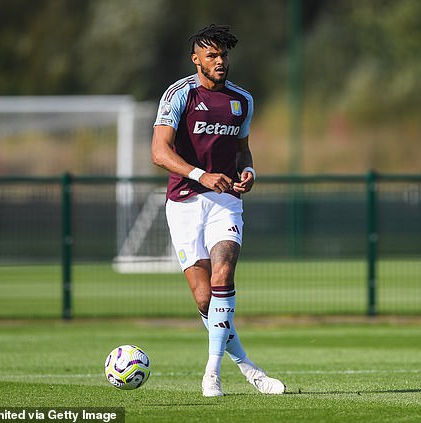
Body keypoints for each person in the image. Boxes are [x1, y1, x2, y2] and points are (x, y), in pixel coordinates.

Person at [151, 24, 286, 397]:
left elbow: (243, 150)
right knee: (203, 299)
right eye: (212, 55)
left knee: (223, 275)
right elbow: (159, 152)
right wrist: (200, 175)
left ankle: (211, 373)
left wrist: (249, 171)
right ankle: (250, 369)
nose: (220, 61)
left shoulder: (242, 100)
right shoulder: (179, 95)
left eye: (224, 55)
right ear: (196, 60)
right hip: (183, 203)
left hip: (225, 201)